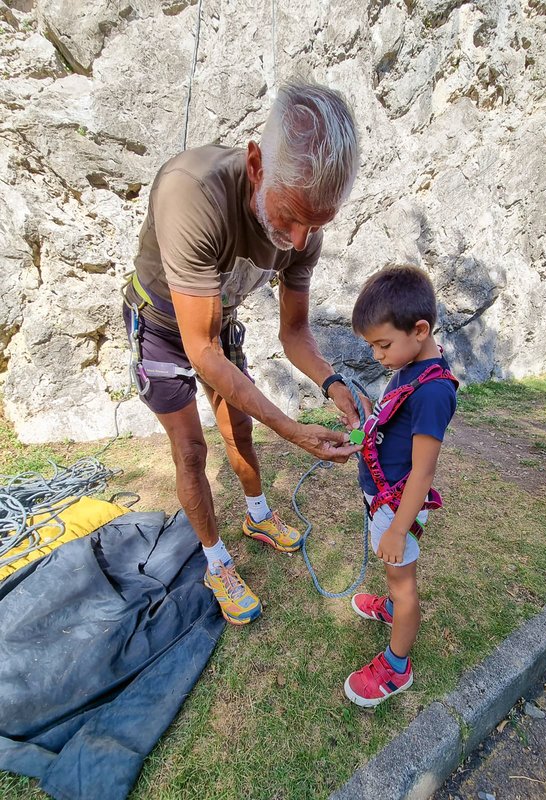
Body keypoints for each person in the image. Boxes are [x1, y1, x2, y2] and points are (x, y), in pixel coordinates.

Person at [123, 80, 364, 626]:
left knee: (240, 431)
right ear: (256, 164)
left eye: (317, 225)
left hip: (218, 319)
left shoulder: (306, 223)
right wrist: (292, 428)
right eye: (291, 218)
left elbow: (295, 333)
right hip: (162, 325)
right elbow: (200, 349)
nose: (300, 241)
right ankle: (215, 563)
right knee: (190, 452)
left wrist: (334, 384)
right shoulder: (193, 192)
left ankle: (257, 515)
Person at [343, 265, 458, 708]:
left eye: (382, 344)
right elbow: (392, 422)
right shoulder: (410, 366)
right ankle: (391, 610)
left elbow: (423, 472)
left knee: (403, 583)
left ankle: (397, 666)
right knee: (396, 576)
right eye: (372, 345)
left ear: (420, 329)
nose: (376, 356)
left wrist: (396, 529)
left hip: (398, 508)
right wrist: (361, 432)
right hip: (385, 500)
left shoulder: (433, 392)